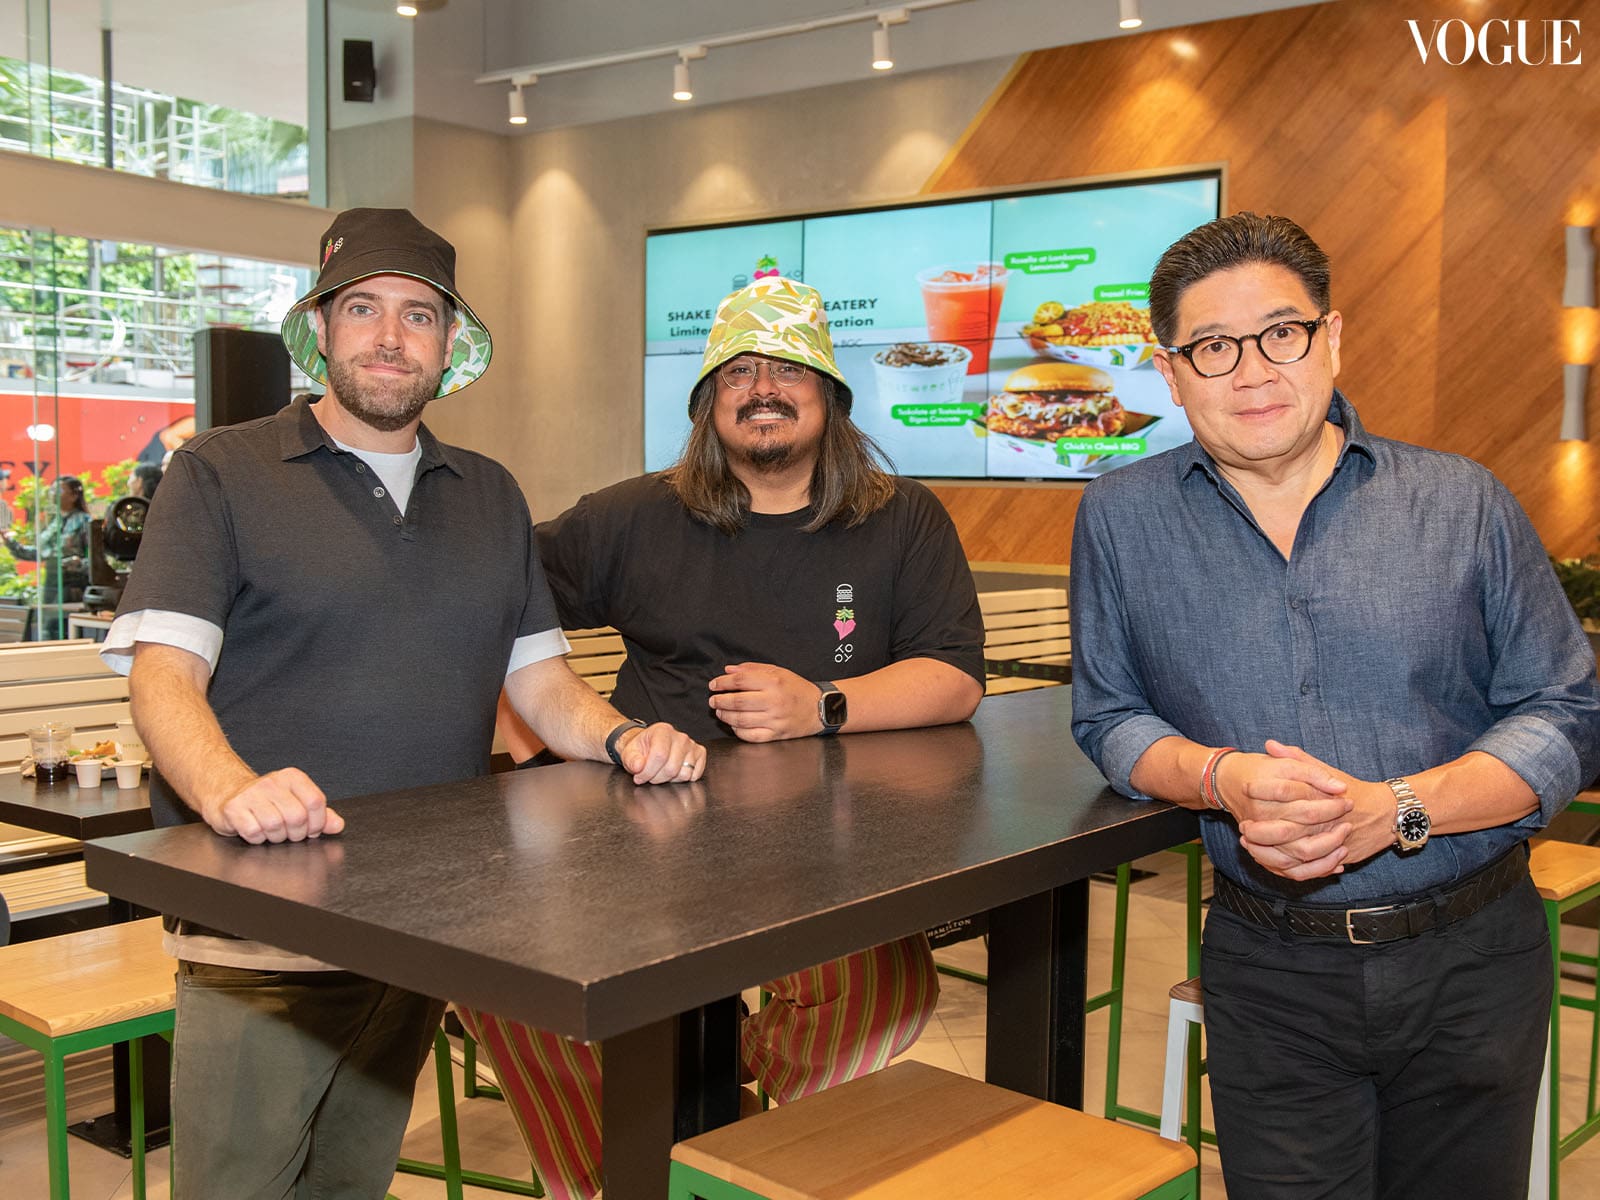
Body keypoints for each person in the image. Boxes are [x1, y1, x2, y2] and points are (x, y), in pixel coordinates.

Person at [98, 207, 704, 1200]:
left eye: (419, 315)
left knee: (351, 1184)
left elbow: (543, 688)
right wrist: (232, 791)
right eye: (364, 310)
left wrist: (627, 738)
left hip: (426, 927)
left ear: (450, 345)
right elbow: (166, 674)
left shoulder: (491, 496)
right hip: (266, 933)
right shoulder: (220, 474)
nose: (390, 337)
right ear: (322, 331)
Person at [1070, 212, 1600, 1199]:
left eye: (1282, 332)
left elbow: (1566, 709)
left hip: (1472, 959)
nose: (1253, 370)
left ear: (1332, 337)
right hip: (1269, 969)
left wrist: (1396, 808)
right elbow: (1108, 715)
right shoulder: (1118, 519)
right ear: (1168, 369)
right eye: (1212, 347)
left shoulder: (1461, 503)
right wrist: (1220, 777)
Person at [460, 276, 987, 1200]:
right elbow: (492, 605)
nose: (763, 388)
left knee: (887, 996)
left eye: (788, 369)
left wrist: (821, 704)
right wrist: (544, 738)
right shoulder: (631, 516)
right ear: (709, 403)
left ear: (830, 397)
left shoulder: (902, 519)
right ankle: (630, 1174)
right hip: (632, 840)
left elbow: (954, 674)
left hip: (829, 851)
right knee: (517, 993)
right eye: (738, 372)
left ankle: (716, 1101)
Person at [4, 475, 92, 635]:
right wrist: (12, 543)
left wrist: (77, 563)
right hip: (52, 584)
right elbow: (42, 554)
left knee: (64, 629)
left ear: (74, 495)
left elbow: (95, 559)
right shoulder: (56, 522)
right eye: (52, 489)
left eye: (58, 490)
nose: (53, 493)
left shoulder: (85, 522)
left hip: (71, 587)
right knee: (48, 629)